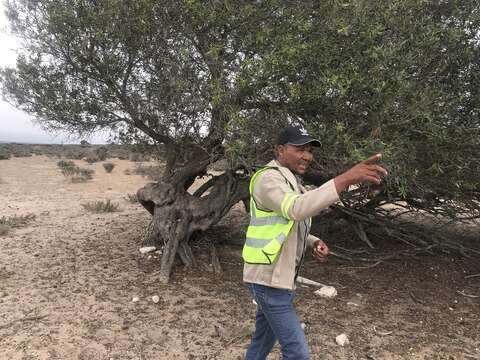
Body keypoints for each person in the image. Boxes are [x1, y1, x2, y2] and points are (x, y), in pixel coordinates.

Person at [243, 126, 388, 359]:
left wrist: (312, 241)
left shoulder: (290, 181)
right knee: (298, 352)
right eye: (300, 149)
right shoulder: (268, 179)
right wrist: (345, 178)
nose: (307, 156)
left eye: (310, 150)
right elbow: (296, 209)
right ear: (280, 150)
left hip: (277, 278)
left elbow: (288, 222)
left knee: (262, 341)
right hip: (268, 280)